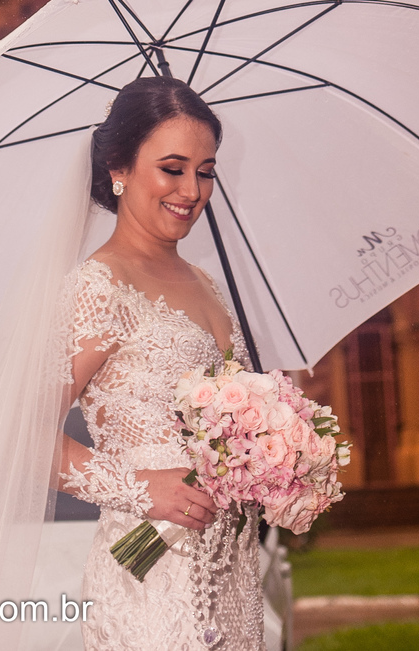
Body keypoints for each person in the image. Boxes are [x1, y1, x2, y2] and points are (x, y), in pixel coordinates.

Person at [56, 77, 264, 651]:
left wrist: (279, 447)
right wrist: (142, 488)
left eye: (206, 171)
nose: (192, 190)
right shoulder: (98, 289)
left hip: (233, 582)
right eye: (172, 168)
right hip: (149, 581)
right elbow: (20, 437)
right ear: (119, 168)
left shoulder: (208, 285)